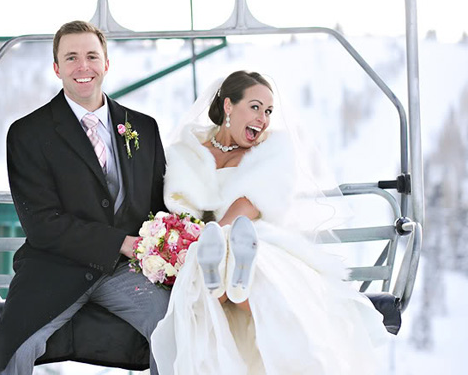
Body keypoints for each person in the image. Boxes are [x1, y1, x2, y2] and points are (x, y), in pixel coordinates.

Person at [151, 70, 390, 374]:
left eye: (268, 111)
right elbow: (179, 202)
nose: (263, 118)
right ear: (228, 106)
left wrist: (218, 231)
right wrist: (193, 235)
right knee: (202, 263)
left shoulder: (271, 149)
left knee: (257, 262)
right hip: (203, 239)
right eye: (254, 107)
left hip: (255, 237)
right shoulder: (186, 151)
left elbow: (252, 201)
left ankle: (229, 281)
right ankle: (228, 285)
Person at [0, 20, 170, 375]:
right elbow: (41, 224)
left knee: (176, 328)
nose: (82, 67)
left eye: (91, 56)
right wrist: (121, 242)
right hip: (54, 269)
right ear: (57, 68)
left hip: (125, 273)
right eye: (71, 58)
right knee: (15, 348)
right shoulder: (28, 133)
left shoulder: (143, 128)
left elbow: (157, 206)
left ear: (106, 63)